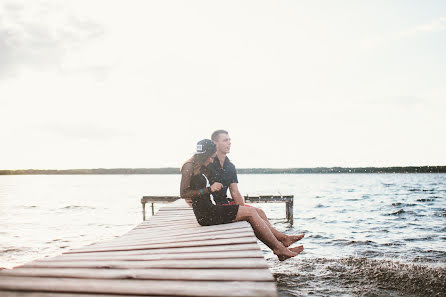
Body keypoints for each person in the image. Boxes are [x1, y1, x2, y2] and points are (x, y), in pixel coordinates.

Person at [180, 139, 303, 261]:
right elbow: (183, 193)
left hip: (211, 209)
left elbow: (195, 190)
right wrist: (209, 189)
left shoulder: (198, 166)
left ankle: (280, 245)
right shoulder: (188, 166)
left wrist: (208, 191)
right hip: (206, 214)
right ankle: (280, 248)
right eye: (211, 157)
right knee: (251, 213)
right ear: (205, 155)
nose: (212, 160)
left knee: (253, 212)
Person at [209, 130, 305, 247]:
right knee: (252, 213)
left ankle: (281, 240)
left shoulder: (230, 166)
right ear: (215, 143)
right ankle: (282, 240)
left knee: (260, 212)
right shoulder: (208, 163)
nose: (229, 143)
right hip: (214, 207)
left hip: (225, 203)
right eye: (225, 140)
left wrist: (242, 210)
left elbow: (235, 191)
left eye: (230, 140)